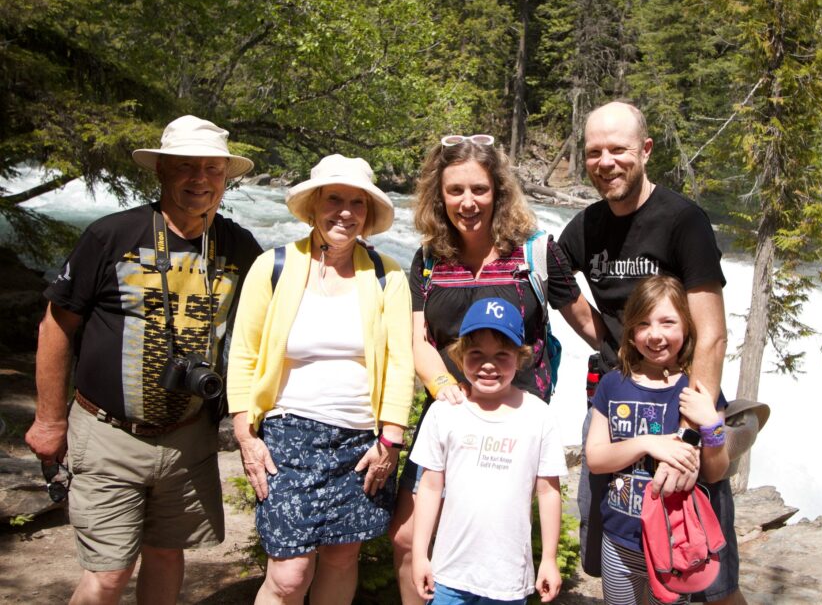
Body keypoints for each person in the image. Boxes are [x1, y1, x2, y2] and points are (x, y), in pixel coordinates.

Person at [24, 115, 262, 605]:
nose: (200, 180)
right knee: (109, 575)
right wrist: (48, 420)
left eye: (213, 169)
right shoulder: (113, 235)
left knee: (166, 555)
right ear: (161, 171)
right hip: (109, 432)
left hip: (189, 438)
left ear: (226, 177)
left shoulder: (239, 245)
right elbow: (56, 326)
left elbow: (273, 324)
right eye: (186, 167)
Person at [389, 133, 603, 604]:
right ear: (438, 195)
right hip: (450, 409)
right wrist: (445, 386)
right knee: (407, 538)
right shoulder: (429, 260)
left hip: (517, 420)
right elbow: (418, 338)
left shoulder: (536, 253)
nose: (467, 202)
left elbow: (585, 321)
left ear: (499, 191)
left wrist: (642, 365)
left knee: (497, 541)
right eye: (455, 190)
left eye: (479, 190)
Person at [559, 101, 742, 603]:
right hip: (617, 398)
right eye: (594, 151)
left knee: (707, 569)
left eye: (618, 149)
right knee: (621, 548)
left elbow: (713, 333)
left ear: (645, 150)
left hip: (680, 403)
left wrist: (689, 434)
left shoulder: (683, 221)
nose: (606, 162)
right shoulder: (586, 225)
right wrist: (605, 340)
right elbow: (554, 278)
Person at [227, 154, 415, 605]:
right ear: (313, 205)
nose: (345, 211)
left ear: (368, 214)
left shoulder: (388, 274)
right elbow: (244, 352)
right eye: (334, 198)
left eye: (357, 202)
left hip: (360, 442)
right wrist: (244, 433)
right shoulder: (272, 266)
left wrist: (391, 438)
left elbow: (400, 360)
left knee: (340, 559)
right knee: (289, 575)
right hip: (288, 437)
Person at [410, 296, 566, 604]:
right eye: (476, 353)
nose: (489, 365)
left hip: (507, 578)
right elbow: (429, 487)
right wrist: (419, 554)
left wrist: (549, 558)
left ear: (520, 357)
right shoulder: (445, 412)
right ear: (459, 355)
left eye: (502, 355)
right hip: (448, 574)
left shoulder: (538, 415)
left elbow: (548, 491)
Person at [586, 276, 729, 604]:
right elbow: (595, 459)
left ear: (687, 327)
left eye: (668, 322)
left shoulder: (698, 390)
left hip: (677, 544)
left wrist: (711, 425)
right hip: (619, 542)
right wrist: (648, 443)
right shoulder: (612, 384)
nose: (655, 334)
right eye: (643, 323)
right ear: (631, 331)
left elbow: (717, 470)